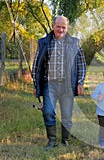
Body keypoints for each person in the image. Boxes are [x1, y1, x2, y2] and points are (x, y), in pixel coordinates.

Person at [31, 15, 86, 150]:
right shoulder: (44, 42)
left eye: (64, 27)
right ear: (53, 26)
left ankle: (65, 140)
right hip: (49, 85)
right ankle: (52, 140)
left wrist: (80, 82)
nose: (61, 30)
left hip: (68, 85)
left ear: (67, 28)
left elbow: (81, 64)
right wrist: (36, 85)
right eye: (58, 27)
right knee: (48, 111)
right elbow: (37, 65)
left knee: (66, 115)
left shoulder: (74, 42)